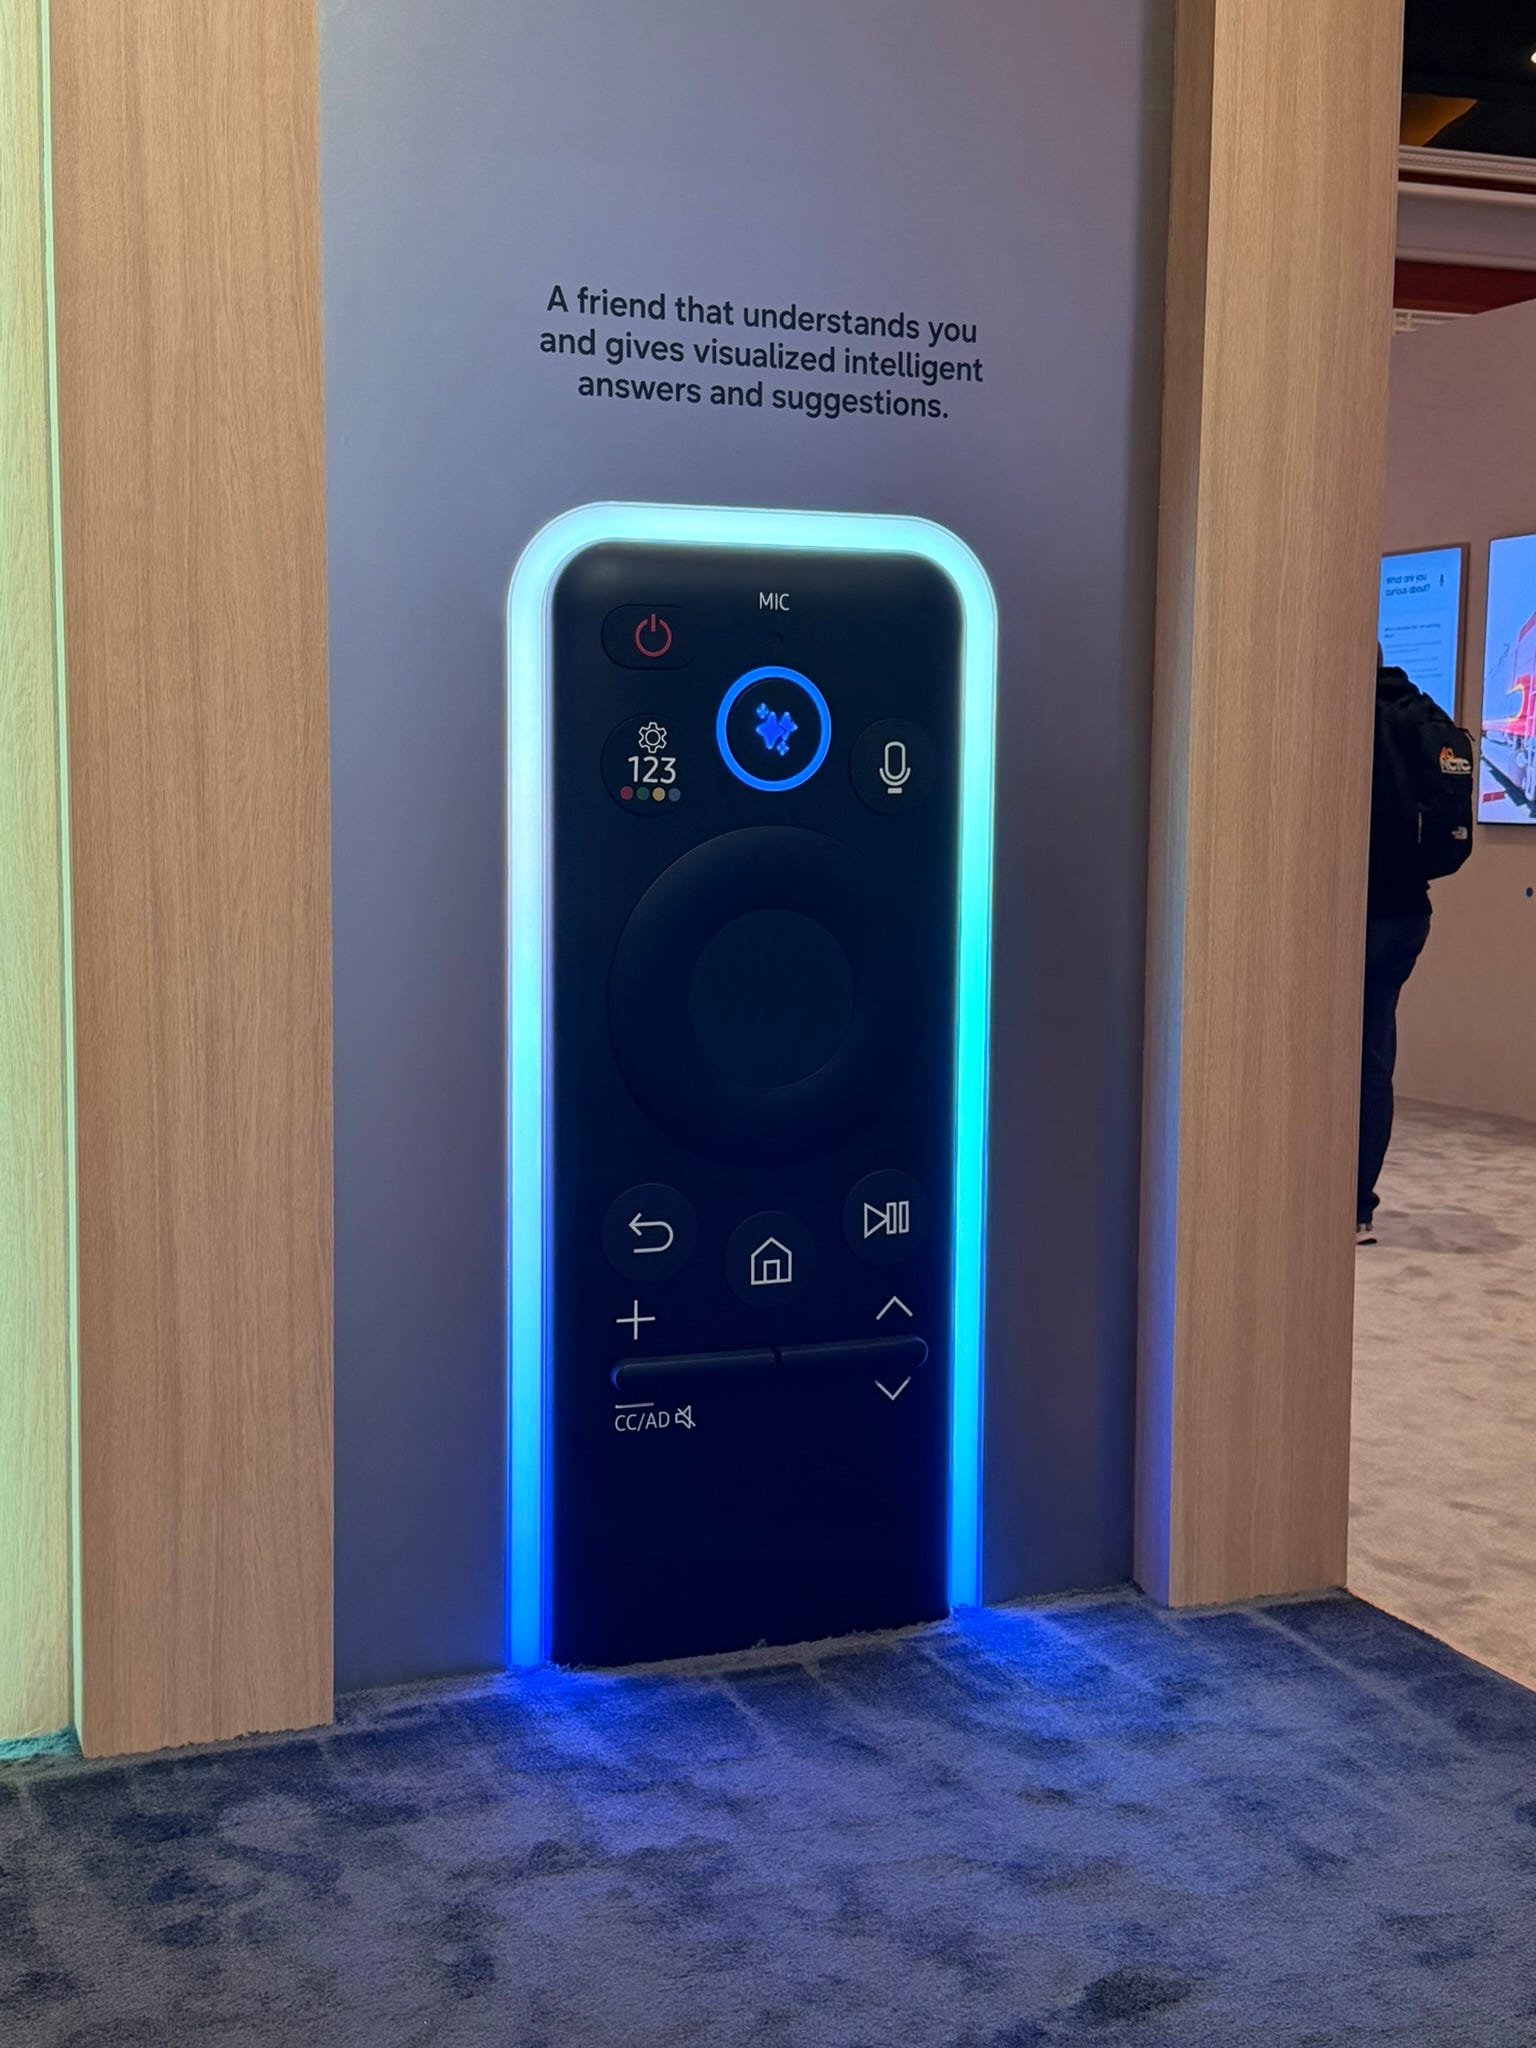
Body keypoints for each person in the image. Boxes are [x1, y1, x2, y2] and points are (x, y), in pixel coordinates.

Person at [1357, 646, 1470, 1244]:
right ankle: (1356, 1208)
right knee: (1372, 1058)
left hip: (1356, 912)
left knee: (1318, 1056)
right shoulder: (1415, 710)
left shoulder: (1353, 717)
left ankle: (1311, 1192)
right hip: (1408, 913)